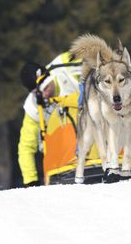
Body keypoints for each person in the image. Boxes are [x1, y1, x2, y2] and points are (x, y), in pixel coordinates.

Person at [18, 52, 89, 186]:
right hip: (63, 159)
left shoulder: (65, 66)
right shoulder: (34, 105)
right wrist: (30, 181)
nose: (45, 95)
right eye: (39, 93)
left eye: (45, 88)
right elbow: (26, 146)